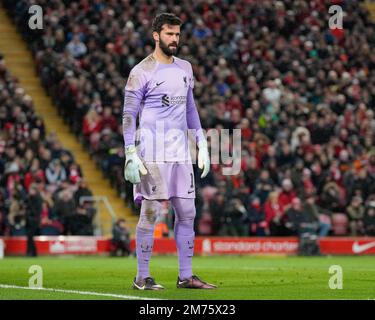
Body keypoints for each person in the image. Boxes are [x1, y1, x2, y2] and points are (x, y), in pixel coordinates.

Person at [123, 13, 216, 290]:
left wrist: (202, 144)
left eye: (177, 34)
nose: (174, 39)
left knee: (187, 212)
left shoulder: (186, 68)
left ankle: (186, 276)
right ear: (156, 35)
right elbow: (129, 115)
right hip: (151, 153)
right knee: (151, 213)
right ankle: (142, 277)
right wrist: (130, 151)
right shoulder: (141, 71)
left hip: (181, 154)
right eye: (169, 34)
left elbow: (190, 108)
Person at [25, 184, 42, 256]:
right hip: (29, 219)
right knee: (30, 236)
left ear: (35, 190)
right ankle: (32, 253)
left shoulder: (38, 199)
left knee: (30, 236)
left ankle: (31, 252)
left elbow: (36, 211)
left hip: (34, 220)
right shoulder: (30, 198)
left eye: (31, 190)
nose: (30, 192)